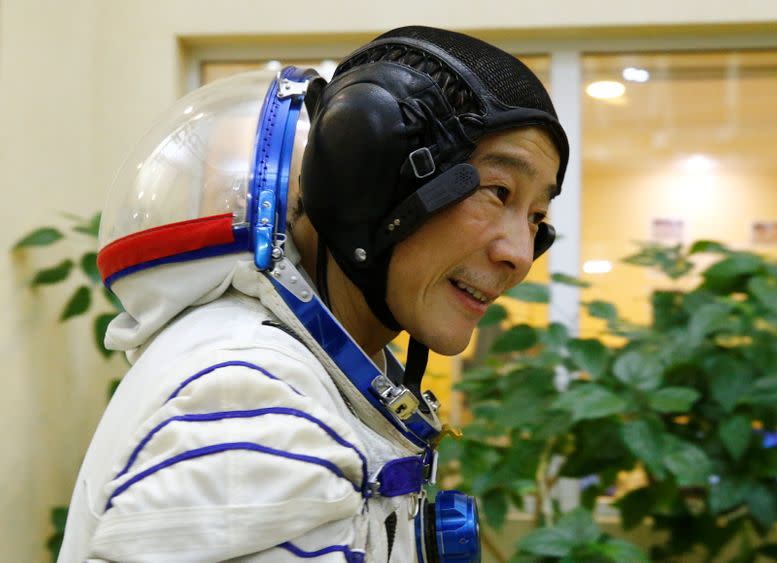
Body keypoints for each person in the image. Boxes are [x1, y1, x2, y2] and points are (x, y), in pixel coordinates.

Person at [58, 25, 568, 562]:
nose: (519, 253)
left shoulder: (293, 369)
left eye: (536, 217)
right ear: (368, 178)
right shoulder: (256, 399)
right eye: (497, 192)